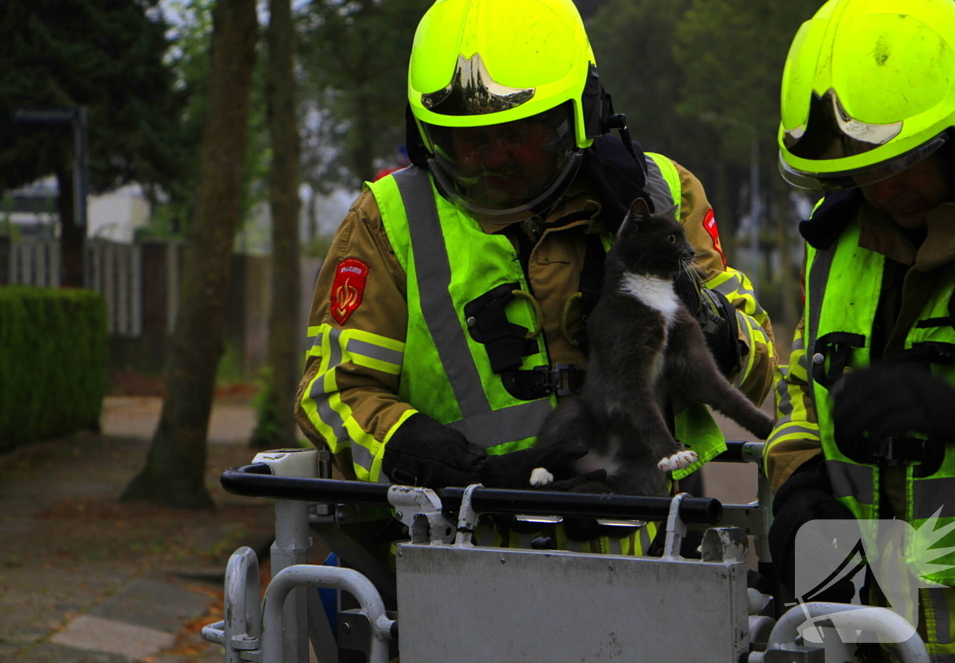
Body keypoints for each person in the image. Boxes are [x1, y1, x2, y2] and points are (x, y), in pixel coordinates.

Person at [296, 0, 775, 555]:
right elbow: (333, 391)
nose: (494, 159)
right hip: (453, 555)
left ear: (581, 114)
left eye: (518, 133)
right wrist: (420, 450)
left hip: (645, 554)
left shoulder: (661, 194)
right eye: (468, 141)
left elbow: (758, 368)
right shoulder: (386, 219)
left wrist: (696, 312)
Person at [766, 0, 955, 663]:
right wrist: (798, 489)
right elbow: (802, 392)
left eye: (905, 162)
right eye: (862, 170)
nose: (885, 188)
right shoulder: (837, 244)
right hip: (863, 651)